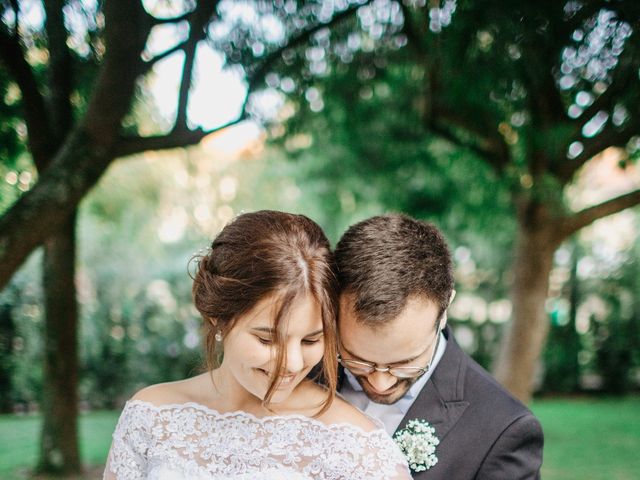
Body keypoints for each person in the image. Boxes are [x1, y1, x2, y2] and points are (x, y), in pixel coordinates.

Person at [103, 210, 410, 480]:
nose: (291, 363)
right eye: (267, 339)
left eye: (311, 340)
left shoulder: (355, 443)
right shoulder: (151, 416)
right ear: (216, 317)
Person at [335, 213, 543, 479]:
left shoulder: (504, 430)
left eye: (404, 364)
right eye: (357, 360)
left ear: (444, 311)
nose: (380, 383)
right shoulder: (299, 372)